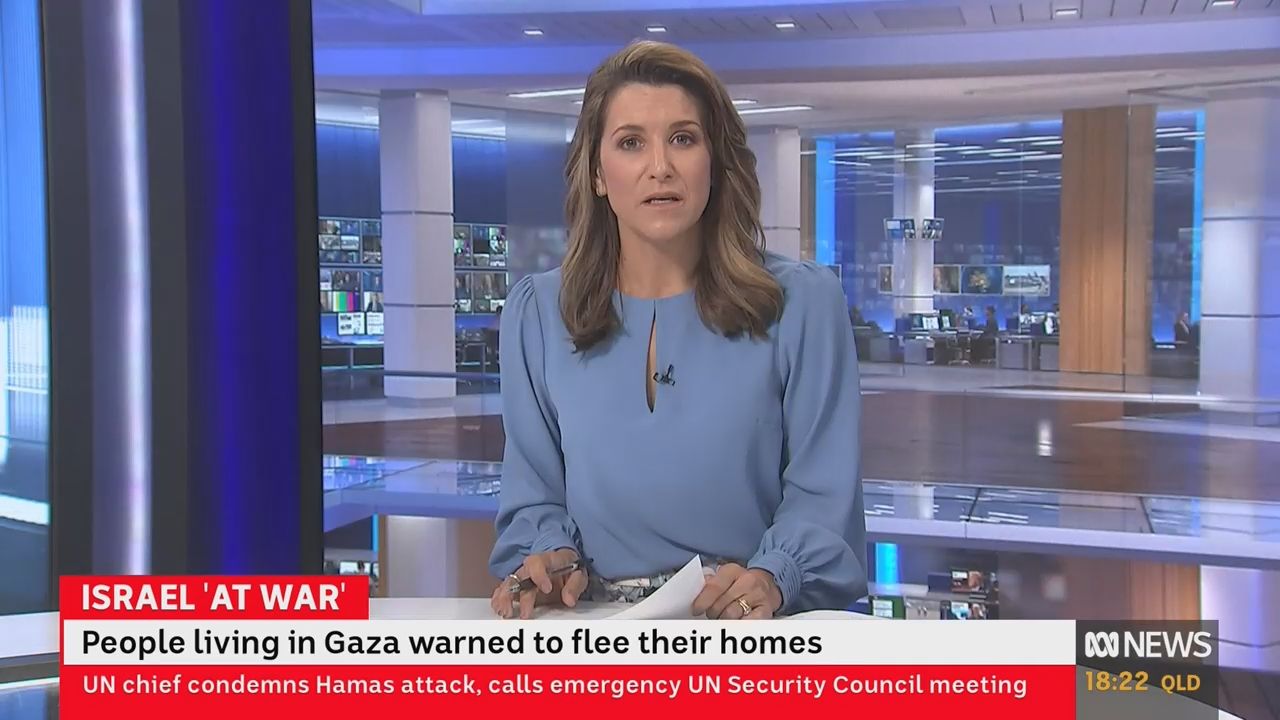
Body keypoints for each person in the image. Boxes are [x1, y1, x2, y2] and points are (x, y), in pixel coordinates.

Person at [488, 40, 866, 620]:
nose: (659, 166)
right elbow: (533, 490)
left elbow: (824, 496)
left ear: (715, 161)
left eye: (683, 139)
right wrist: (548, 556)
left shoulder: (803, 304)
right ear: (597, 172)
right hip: (593, 634)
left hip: (749, 632)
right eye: (631, 143)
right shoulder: (538, 313)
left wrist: (773, 576)